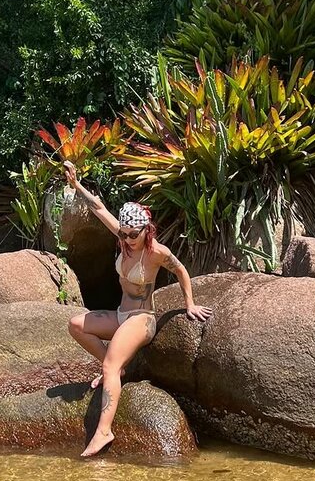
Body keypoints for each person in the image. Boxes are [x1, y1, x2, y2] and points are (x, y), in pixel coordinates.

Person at [63, 160, 212, 457]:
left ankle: (104, 431)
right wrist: (76, 185)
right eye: (123, 234)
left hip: (142, 319)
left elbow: (181, 270)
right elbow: (98, 208)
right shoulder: (123, 238)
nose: (127, 239)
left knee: (109, 367)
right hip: (121, 315)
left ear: (147, 230)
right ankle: (117, 369)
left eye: (133, 234)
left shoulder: (156, 253)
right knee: (76, 325)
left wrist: (189, 304)